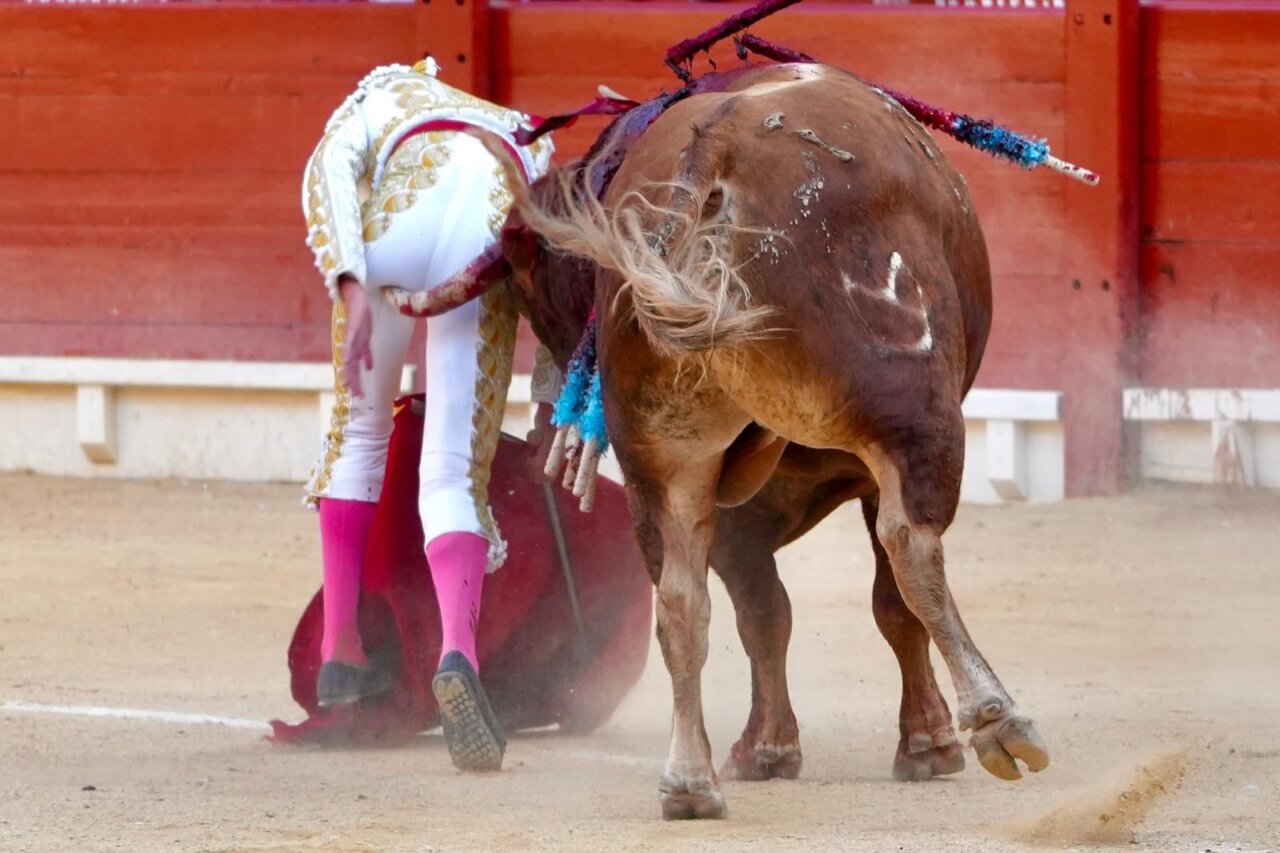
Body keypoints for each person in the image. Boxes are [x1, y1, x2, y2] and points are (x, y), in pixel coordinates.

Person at [300, 58, 558, 771]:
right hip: (482, 234)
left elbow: (327, 174)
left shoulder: (380, 93)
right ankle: (457, 654)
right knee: (451, 470)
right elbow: (554, 264)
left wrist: (350, 280)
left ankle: (341, 652)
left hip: (394, 226)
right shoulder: (528, 135)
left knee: (357, 433)